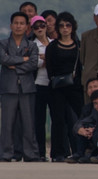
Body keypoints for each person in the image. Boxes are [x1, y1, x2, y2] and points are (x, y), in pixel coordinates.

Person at [44, 12, 84, 162]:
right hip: (57, 88)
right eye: (61, 25)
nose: (65, 28)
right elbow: (50, 69)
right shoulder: (53, 46)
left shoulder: (78, 45)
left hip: (75, 87)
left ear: (73, 27)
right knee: (58, 120)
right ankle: (57, 153)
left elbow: (80, 66)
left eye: (68, 25)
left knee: (81, 117)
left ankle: (81, 149)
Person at [0, 11, 39, 162]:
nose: (18, 26)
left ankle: (31, 154)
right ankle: (5, 153)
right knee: (7, 123)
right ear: (11, 25)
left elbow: (33, 64)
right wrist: (22, 59)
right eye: (16, 23)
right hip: (8, 88)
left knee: (29, 123)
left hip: (27, 88)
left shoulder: (31, 45)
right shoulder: (3, 43)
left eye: (22, 23)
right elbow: (3, 59)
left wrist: (14, 66)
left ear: (27, 26)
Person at [30, 15, 51, 159]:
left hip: (54, 85)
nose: (39, 29)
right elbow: (34, 63)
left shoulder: (54, 42)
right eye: (36, 27)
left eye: (42, 25)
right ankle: (40, 153)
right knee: (39, 120)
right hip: (38, 84)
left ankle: (57, 151)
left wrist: (45, 57)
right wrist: (47, 58)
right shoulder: (32, 45)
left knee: (57, 120)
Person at [72, 88, 98, 163]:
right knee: (85, 128)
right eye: (95, 103)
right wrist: (82, 130)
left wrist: (95, 129)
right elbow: (80, 123)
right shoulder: (95, 113)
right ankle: (80, 154)